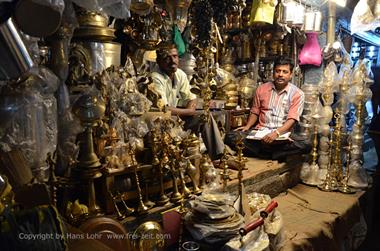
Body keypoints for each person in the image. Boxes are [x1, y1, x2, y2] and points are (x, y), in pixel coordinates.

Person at [225, 58, 311, 160]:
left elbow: (292, 119)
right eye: (278, 71)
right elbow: (255, 111)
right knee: (230, 136)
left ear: (291, 75)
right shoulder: (262, 88)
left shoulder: (297, 93)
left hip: (282, 135)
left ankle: (264, 152)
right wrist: (247, 126)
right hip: (260, 132)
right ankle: (275, 154)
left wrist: (276, 134)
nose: (280, 74)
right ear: (273, 72)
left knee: (307, 143)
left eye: (285, 72)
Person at [150, 43, 224, 160]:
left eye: (174, 56)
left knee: (205, 116)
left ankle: (219, 157)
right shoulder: (155, 77)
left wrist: (190, 109)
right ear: (159, 61)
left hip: (176, 118)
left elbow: (191, 97)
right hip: (160, 121)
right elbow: (163, 109)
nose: (172, 61)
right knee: (194, 116)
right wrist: (189, 111)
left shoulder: (179, 74)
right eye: (167, 58)